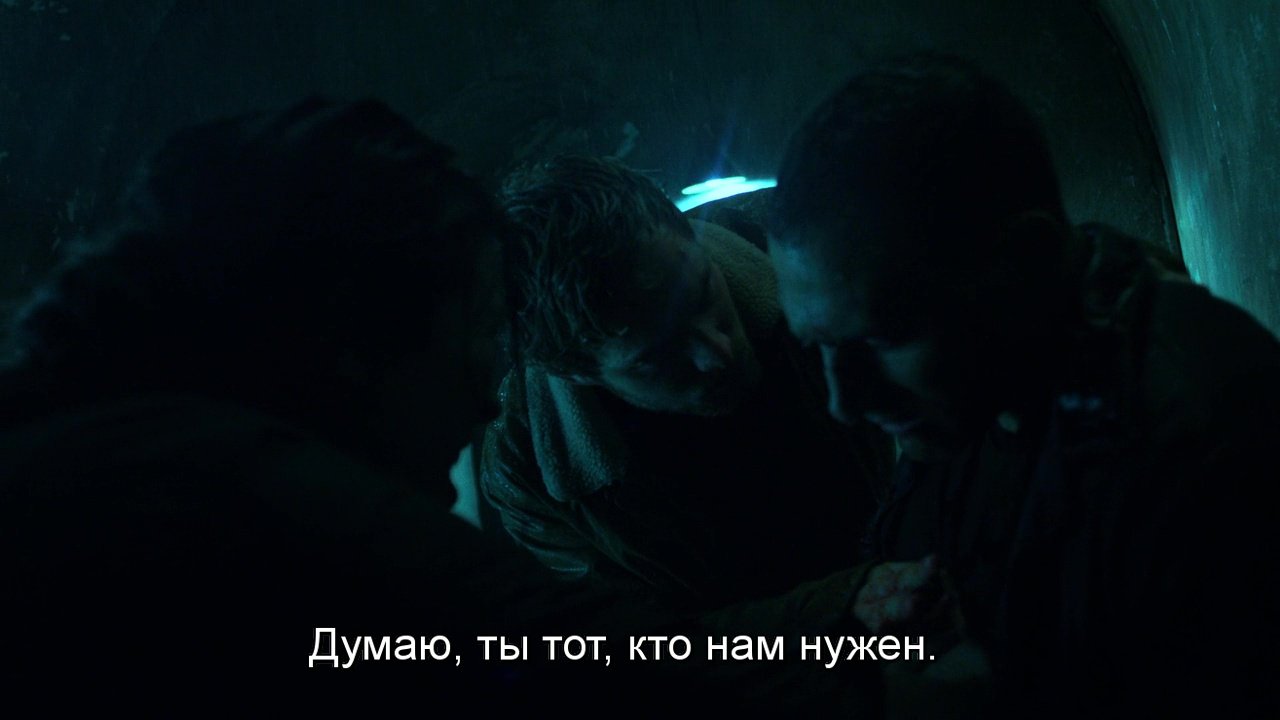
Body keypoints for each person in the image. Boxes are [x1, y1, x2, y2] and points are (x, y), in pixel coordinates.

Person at [0, 98, 668, 705]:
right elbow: (611, 664)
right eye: (479, 330)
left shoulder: (80, 449)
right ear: (357, 339)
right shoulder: (242, 491)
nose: (486, 406)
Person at [767, 54, 1280, 717]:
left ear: (1024, 261)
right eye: (820, 345)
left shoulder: (1212, 451)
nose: (844, 404)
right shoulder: (981, 386)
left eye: (882, 338)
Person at [481, 155, 893, 610]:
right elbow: (647, 641)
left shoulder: (816, 237)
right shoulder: (529, 479)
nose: (717, 353)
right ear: (576, 372)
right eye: (656, 356)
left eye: (703, 293)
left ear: (690, 233)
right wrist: (843, 608)